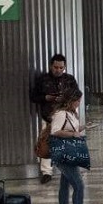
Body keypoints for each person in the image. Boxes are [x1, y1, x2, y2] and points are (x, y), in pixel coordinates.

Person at [30, 54, 79, 183]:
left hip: (66, 118)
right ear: (51, 66)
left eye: (61, 67)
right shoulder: (43, 79)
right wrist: (47, 98)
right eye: (56, 67)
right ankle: (46, 172)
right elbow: (34, 96)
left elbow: (77, 95)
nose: (58, 70)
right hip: (48, 116)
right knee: (46, 145)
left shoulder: (69, 79)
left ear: (64, 67)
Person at [50, 89, 88, 204]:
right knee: (78, 185)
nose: (79, 103)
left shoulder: (72, 114)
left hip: (69, 151)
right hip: (64, 154)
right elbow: (55, 131)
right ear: (71, 100)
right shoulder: (61, 114)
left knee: (65, 183)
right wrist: (73, 134)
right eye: (77, 101)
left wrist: (82, 128)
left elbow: (71, 128)